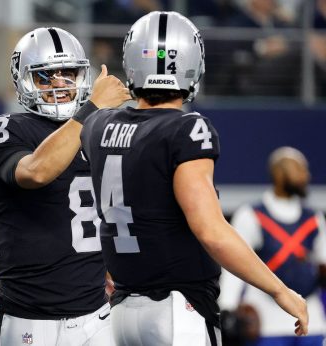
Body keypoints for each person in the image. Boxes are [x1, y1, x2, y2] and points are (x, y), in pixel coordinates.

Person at [78, 11, 309, 345]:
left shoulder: (98, 125)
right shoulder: (186, 129)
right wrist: (280, 290)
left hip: (121, 312)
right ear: (191, 63)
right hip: (176, 310)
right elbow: (211, 231)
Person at [0, 27, 130, 345]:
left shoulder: (101, 129)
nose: (60, 83)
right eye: (46, 76)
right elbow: (37, 171)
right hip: (27, 317)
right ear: (24, 80)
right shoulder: (7, 128)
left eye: (68, 73)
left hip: (95, 313)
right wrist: (93, 109)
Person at [220, 146, 326, 346]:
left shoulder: (314, 219)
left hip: (312, 320)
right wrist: (227, 306)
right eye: (298, 169)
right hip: (266, 321)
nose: (306, 175)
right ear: (279, 173)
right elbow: (234, 263)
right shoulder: (251, 215)